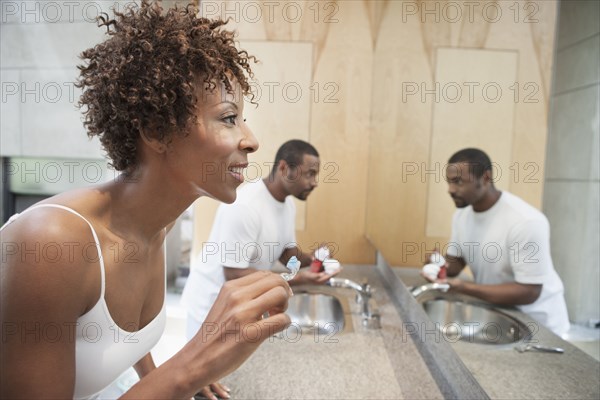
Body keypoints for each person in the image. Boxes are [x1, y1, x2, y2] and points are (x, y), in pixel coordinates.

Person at [0, 2, 292, 399]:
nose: (251, 139)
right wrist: (187, 369)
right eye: (228, 118)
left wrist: (152, 374)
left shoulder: (158, 223)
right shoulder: (52, 244)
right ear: (156, 131)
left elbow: (115, 333)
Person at [182, 140, 337, 340]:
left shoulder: (287, 204)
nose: (315, 182)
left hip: (241, 305)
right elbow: (234, 273)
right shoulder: (245, 206)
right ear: (283, 168)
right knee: (203, 371)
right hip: (210, 309)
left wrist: (315, 259)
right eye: (309, 174)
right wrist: (298, 279)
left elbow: (286, 253)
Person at [426, 148, 570, 336]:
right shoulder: (462, 215)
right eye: (449, 182)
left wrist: (464, 287)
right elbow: (455, 263)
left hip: (540, 328)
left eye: (458, 182)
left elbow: (529, 291)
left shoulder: (526, 221)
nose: (451, 190)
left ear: (486, 178)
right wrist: (436, 264)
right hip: (501, 316)